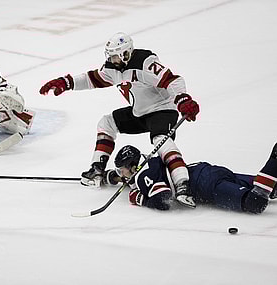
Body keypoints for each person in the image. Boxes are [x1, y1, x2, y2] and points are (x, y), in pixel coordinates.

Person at [39, 32, 199, 208]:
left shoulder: (145, 62)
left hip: (162, 109)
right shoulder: (112, 68)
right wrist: (66, 82)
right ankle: (97, 169)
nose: (112, 59)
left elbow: (173, 80)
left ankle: (182, 184)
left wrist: (183, 99)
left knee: (161, 141)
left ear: (126, 53)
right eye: (110, 55)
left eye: (115, 55)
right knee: (107, 123)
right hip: (139, 112)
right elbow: (91, 79)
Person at [103, 143, 277, 213]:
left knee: (255, 202)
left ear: (133, 166)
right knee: (272, 186)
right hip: (204, 171)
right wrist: (109, 177)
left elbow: (162, 200)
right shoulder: (149, 161)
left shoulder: (143, 176)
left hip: (205, 186)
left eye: (121, 170)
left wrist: (139, 198)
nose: (121, 174)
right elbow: (132, 179)